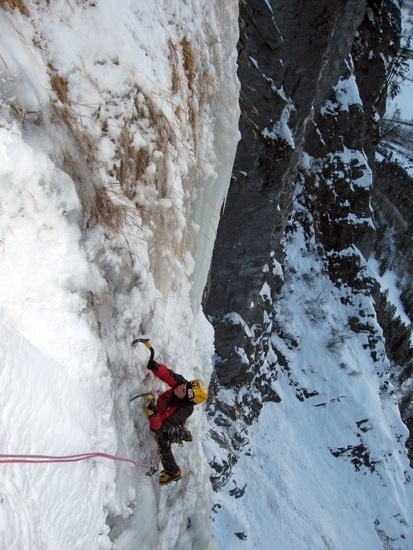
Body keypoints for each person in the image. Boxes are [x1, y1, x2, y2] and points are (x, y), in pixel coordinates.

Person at [144, 346, 208, 486]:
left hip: (170, 422)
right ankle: (182, 432)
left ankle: (173, 472)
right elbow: (169, 376)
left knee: (163, 441)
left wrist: (154, 416)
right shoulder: (182, 385)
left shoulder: (183, 411)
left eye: (184, 390)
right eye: (184, 386)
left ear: (187, 398)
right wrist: (156, 368)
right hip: (164, 411)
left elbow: (159, 428)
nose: (180, 387)